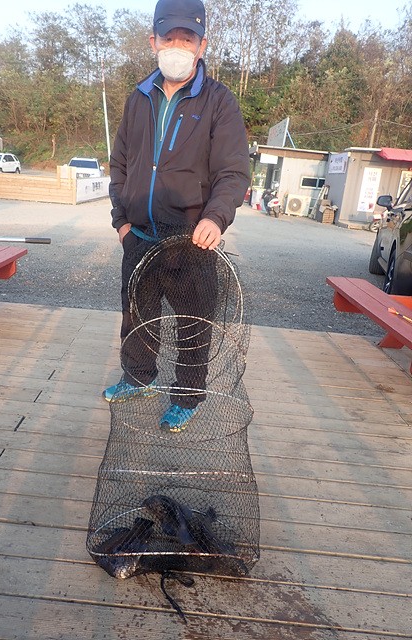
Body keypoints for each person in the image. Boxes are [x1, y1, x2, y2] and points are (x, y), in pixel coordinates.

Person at [103, 0, 250, 432]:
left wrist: (215, 218)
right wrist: (121, 222)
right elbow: (119, 165)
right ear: (154, 41)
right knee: (137, 315)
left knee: (193, 325)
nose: (178, 46)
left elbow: (233, 172)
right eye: (170, 37)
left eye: (188, 39)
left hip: (191, 239)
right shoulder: (138, 98)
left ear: (202, 45)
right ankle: (139, 378)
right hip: (139, 237)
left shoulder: (219, 101)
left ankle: (187, 397)